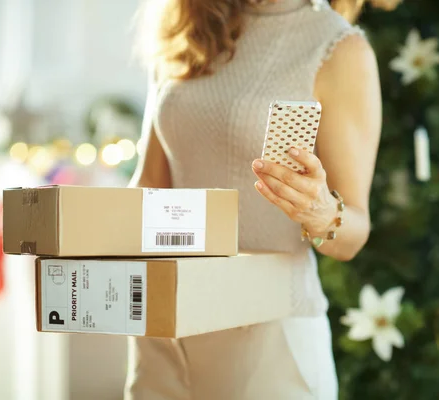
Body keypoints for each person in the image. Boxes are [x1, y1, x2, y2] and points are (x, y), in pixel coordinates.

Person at [126, 0, 381, 398]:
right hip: (166, 325)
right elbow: (148, 188)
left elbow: (356, 232)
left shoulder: (340, 49)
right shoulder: (187, 28)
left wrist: (320, 211)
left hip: (267, 339)